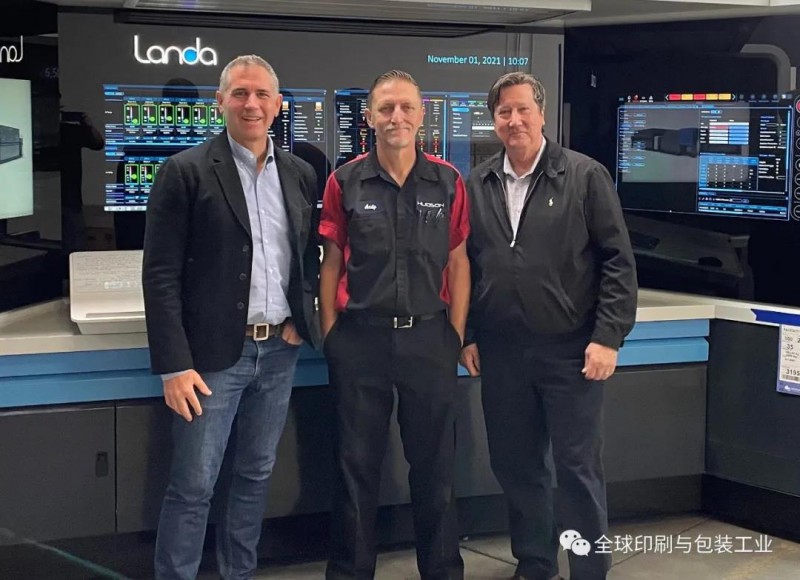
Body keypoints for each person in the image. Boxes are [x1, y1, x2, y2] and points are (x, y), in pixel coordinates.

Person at [142, 54, 320, 580]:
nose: (251, 104)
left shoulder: (300, 173)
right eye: (240, 93)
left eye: (262, 94)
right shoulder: (185, 171)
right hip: (211, 358)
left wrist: (301, 316)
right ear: (220, 102)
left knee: (255, 475)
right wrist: (174, 365)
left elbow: (308, 256)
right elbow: (160, 275)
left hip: (280, 351)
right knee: (194, 485)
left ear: (278, 104)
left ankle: (238, 573)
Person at [460, 72, 637, 580]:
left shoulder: (584, 176)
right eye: (504, 112)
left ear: (542, 114)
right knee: (517, 467)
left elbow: (618, 262)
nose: (514, 120)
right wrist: (469, 334)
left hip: (571, 352)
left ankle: (589, 569)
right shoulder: (477, 183)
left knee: (577, 468)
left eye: (523, 109)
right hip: (502, 353)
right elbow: (466, 265)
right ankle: (535, 564)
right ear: (493, 121)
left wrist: (607, 337)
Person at [319, 70, 470, 580]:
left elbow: (459, 262)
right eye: (385, 109)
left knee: (435, 468)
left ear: (422, 115)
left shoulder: (448, 181)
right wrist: (331, 333)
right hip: (360, 340)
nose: (396, 117)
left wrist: (454, 334)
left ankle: (443, 571)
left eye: (406, 107)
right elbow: (332, 262)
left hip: (430, 338)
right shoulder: (344, 182)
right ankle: (350, 572)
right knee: (355, 467)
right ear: (369, 118)